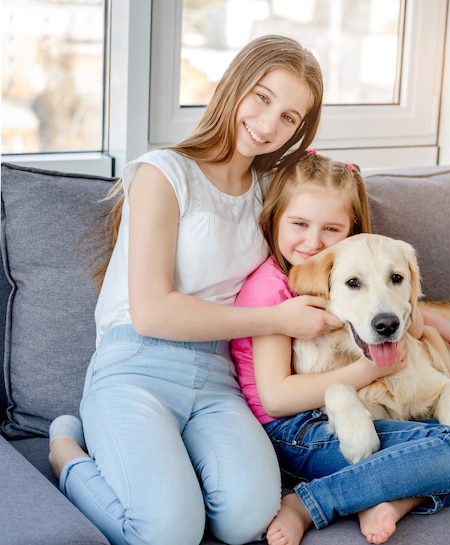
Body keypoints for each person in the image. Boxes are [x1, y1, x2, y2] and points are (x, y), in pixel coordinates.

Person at [47, 35, 343, 545]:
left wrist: (428, 318)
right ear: (233, 85)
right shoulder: (164, 173)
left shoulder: (271, 195)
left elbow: (338, 250)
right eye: (263, 97)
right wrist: (277, 319)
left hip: (215, 375)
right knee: (165, 533)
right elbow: (153, 313)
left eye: (291, 118)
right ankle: (66, 454)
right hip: (135, 365)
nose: (269, 125)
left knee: (249, 519)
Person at [230, 152, 450, 545]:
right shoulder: (272, 291)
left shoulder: (355, 265)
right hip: (297, 430)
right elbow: (277, 399)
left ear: (350, 229)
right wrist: (372, 371)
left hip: (352, 416)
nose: (313, 241)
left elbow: (397, 308)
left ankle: (393, 499)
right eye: (299, 223)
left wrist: (439, 324)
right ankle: (309, 503)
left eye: (330, 228)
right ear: (275, 218)